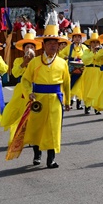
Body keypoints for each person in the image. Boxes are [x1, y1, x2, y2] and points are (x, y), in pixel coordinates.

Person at [20, 15, 71, 168]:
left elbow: (67, 83)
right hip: (38, 100)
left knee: (53, 129)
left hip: (56, 100)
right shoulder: (35, 62)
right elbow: (25, 80)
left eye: (56, 43)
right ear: (44, 44)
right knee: (37, 128)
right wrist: (29, 92)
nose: (53, 46)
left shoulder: (62, 63)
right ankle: (37, 155)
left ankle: (51, 158)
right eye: (50, 43)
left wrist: (67, 101)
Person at [1, 28, 41, 142]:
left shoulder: (38, 60)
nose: (30, 49)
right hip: (21, 90)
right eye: (27, 47)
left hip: (35, 89)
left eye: (32, 47)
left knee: (34, 114)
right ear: (23, 49)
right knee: (19, 113)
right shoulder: (18, 60)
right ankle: (17, 137)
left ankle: (32, 137)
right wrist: (25, 62)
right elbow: (15, 73)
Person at [59, 22, 87, 110]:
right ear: (73, 38)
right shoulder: (69, 47)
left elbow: (88, 56)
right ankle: (69, 102)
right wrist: (66, 57)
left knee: (79, 87)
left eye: (79, 37)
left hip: (81, 70)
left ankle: (79, 104)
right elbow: (60, 54)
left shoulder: (84, 47)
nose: (77, 38)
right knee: (70, 86)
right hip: (71, 70)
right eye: (75, 37)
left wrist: (83, 59)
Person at [81, 29, 102, 115]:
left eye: (96, 43)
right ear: (90, 44)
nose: (95, 44)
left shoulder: (101, 52)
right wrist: (92, 53)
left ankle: (96, 107)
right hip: (89, 70)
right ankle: (87, 106)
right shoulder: (86, 51)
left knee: (97, 89)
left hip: (98, 71)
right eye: (93, 43)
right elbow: (85, 60)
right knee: (88, 89)